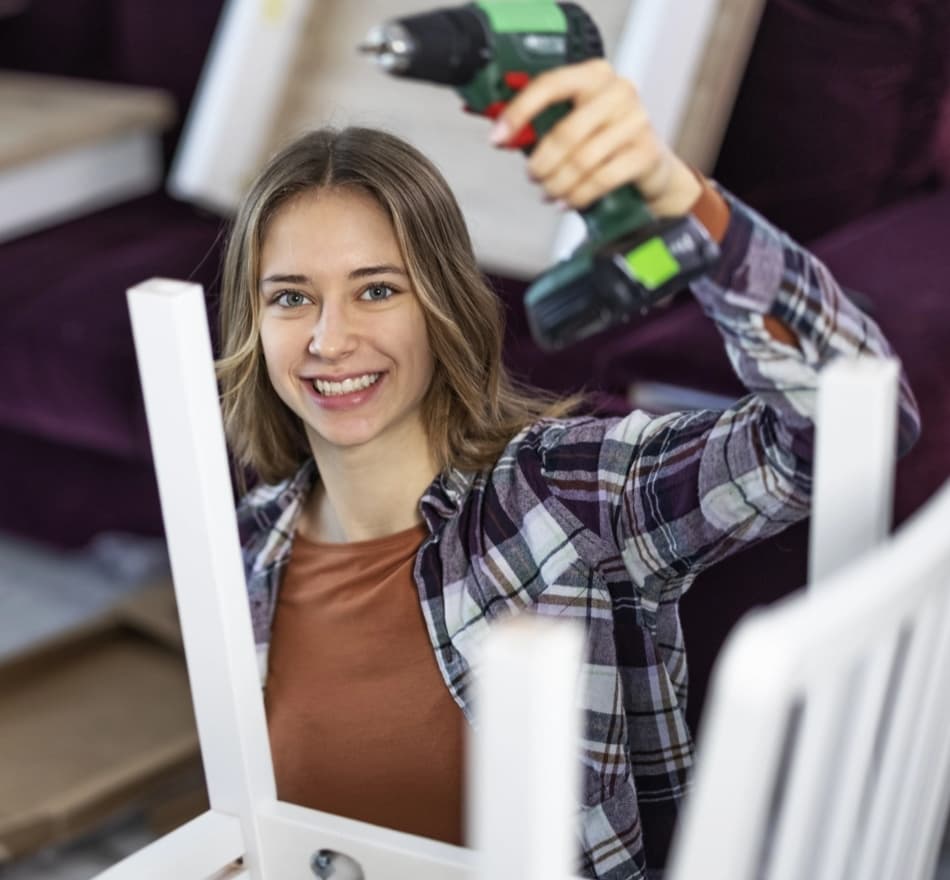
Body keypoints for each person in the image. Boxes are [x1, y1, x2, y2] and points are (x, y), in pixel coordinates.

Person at [216, 59, 919, 879]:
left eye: (377, 291)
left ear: (443, 304)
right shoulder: (244, 550)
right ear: (252, 324)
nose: (329, 339)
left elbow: (852, 419)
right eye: (291, 298)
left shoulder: (567, 497)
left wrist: (690, 207)